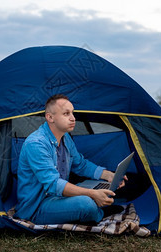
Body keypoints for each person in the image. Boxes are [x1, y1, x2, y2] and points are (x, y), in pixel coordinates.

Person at [14, 94, 126, 225]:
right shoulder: (36, 144)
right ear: (50, 117)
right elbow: (54, 184)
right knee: (86, 203)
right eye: (66, 114)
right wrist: (91, 194)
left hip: (59, 197)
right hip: (37, 207)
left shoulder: (65, 137)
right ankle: (97, 213)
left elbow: (81, 165)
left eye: (72, 113)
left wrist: (108, 175)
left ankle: (89, 208)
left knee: (98, 186)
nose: (73, 118)